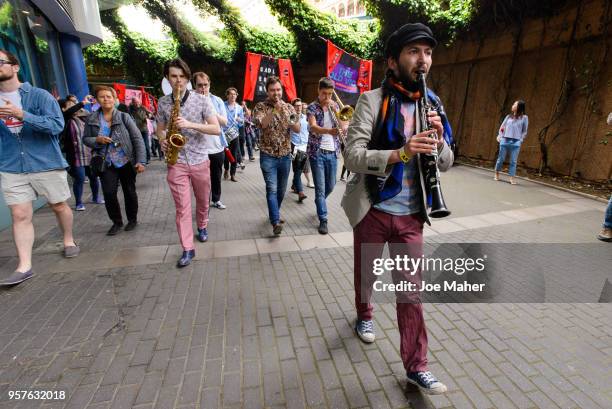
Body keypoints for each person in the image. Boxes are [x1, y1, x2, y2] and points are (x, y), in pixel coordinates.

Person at [341, 23, 454, 395]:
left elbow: (448, 161)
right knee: (367, 277)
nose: (423, 60)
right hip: (373, 208)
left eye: (428, 53)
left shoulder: (432, 103)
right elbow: (353, 155)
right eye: (414, 52)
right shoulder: (371, 101)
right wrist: (400, 153)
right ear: (392, 60)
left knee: (411, 294)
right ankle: (365, 314)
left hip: (411, 217)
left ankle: (416, 366)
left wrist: (437, 142)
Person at [0, 49, 79, 286]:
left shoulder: (39, 96)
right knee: (20, 214)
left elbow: (56, 125)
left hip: (45, 161)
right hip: (12, 165)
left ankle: (68, 239)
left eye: (0, 62)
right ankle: (25, 266)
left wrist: (22, 114)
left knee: (58, 205)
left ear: (15, 67)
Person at [156, 59, 220, 267]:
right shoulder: (164, 102)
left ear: (187, 78)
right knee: (182, 208)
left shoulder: (201, 100)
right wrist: (162, 139)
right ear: (167, 78)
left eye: (182, 76)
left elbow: (216, 128)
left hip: (200, 158)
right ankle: (187, 248)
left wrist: (190, 124)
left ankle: (202, 225)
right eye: (174, 76)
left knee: (202, 200)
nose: (178, 81)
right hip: (177, 162)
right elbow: (160, 128)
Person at [83, 86, 146, 236]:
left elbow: (137, 138)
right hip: (106, 162)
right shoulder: (91, 118)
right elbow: (85, 139)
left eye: (109, 96)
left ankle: (132, 220)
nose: (106, 99)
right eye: (102, 97)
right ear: (97, 100)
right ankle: (116, 222)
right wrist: (96, 140)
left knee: (129, 191)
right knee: (109, 193)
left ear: (114, 99)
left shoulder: (124, 117)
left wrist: (141, 161)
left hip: (126, 160)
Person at [253, 76, 301, 236]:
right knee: (271, 189)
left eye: (278, 90)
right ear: (267, 91)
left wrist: (287, 113)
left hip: (285, 156)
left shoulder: (289, 107)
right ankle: (275, 221)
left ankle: (274, 213)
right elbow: (262, 124)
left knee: (281, 191)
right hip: (268, 155)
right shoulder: (260, 107)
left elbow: (297, 129)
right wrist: (274, 110)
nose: (276, 93)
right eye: (273, 90)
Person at [307, 77, 348, 234]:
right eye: (324, 94)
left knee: (330, 185)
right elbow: (313, 127)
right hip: (317, 152)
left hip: (333, 152)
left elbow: (344, 127)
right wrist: (328, 131)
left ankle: (320, 201)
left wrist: (337, 111)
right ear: (318, 91)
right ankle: (323, 219)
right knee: (320, 189)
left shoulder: (336, 105)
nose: (327, 98)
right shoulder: (312, 107)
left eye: (330, 94)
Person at [193, 71, 229, 209]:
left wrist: (210, 108)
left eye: (205, 85)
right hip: (198, 148)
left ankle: (216, 199)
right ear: (194, 86)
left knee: (216, 176)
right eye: (200, 85)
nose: (203, 88)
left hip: (216, 146)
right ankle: (203, 203)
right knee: (201, 180)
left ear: (209, 84)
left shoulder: (217, 101)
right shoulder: (190, 100)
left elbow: (224, 122)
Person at [60, 98, 102, 210]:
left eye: (75, 105)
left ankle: (96, 197)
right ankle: (78, 202)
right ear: (64, 108)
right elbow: (69, 112)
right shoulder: (65, 119)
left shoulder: (84, 117)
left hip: (88, 153)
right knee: (80, 178)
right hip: (76, 155)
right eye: (71, 105)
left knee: (94, 177)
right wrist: (82, 103)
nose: (75, 107)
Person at [494, 100, 528, 185]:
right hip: (505, 140)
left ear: (519, 107)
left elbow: (524, 131)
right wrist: (500, 136)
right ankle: (497, 173)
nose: (512, 105)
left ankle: (511, 178)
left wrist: (521, 139)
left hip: (516, 142)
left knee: (513, 161)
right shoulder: (508, 117)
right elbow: (502, 127)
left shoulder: (524, 118)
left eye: (514, 104)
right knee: (501, 159)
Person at [290, 98, 308, 203]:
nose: (298, 107)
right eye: (296, 105)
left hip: (305, 146)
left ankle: (294, 184)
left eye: (300, 105)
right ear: (293, 107)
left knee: (300, 170)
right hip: (295, 147)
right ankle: (300, 193)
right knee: (297, 170)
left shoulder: (306, 118)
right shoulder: (292, 118)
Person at [223, 87, 244, 182]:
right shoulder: (222, 105)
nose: (233, 96)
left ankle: (233, 174)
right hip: (224, 134)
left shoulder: (239, 108)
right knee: (226, 154)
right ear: (227, 95)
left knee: (234, 154)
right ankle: (226, 169)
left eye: (234, 94)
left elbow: (241, 123)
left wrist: (240, 120)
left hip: (234, 134)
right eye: (231, 94)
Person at [129, 96, 152, 164]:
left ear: (140, 102)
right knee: (138, 145)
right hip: (135, 130)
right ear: (132, 103)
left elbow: (150, 114)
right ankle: (140, 159)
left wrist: (148, 116)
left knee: (146, 145)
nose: (137, 104)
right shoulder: (130, 109)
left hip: (144, 129)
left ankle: (148, 158)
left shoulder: (143, 108)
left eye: (138, 102)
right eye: (135, 102)